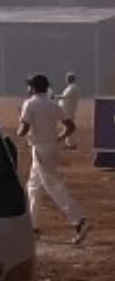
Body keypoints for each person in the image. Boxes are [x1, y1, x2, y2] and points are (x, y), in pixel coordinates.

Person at [19, 73, 91, 244]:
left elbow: (22, 131)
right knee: (33, 187)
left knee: (53, 186)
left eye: (30, 85)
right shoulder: (52, 104)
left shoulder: (29, 104)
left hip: (40, 149)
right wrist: (59, 138)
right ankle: (33, 228)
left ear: (34, 87)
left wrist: (19, 122)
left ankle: (79, 221)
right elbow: (71, 126)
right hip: (50, 147)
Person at [54, 72, 80, 150]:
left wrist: (55, 96)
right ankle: (69, 144)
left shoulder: (73, 87)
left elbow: (65, 96)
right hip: (66, 109)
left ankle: (72, 144)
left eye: (67, 78)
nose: (66, 79)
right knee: (67, 127)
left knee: (69, 127)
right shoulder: (70, 87)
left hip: (69, 109)